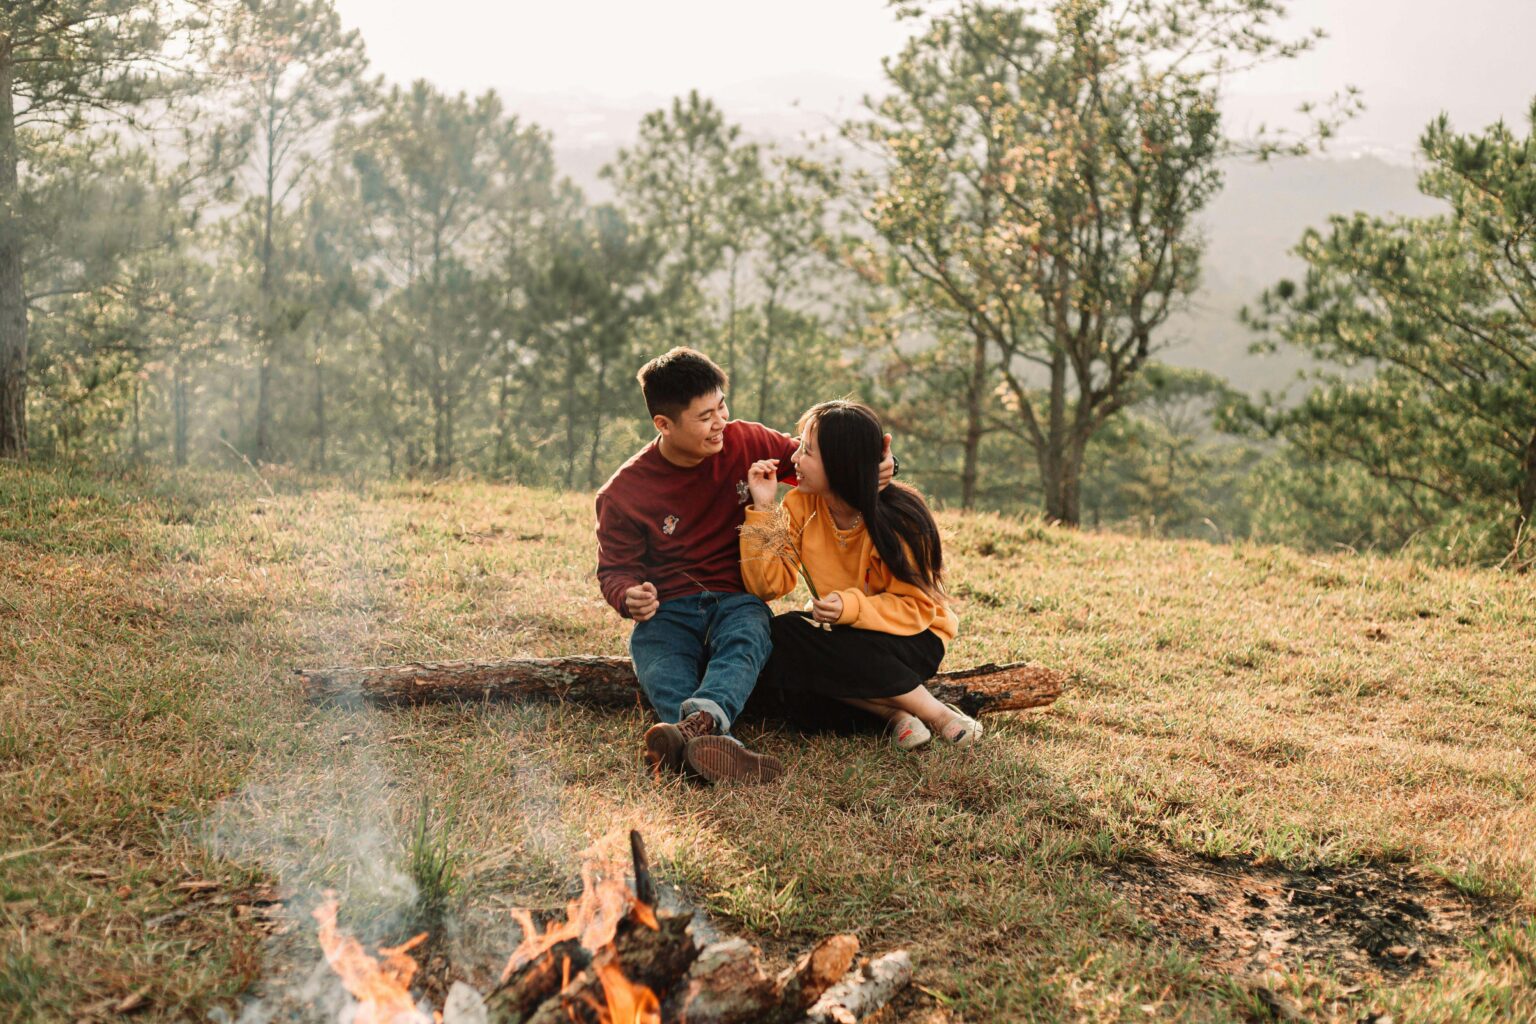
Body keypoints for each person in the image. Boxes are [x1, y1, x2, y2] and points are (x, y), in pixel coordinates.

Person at [595, 349, 893, 784]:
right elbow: (614, 569)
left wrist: (878, 464)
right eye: (705, 417)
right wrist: (628, 595)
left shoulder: (749, 441)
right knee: (657, 659)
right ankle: (709, 740)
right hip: (669, 608)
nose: (721, 422)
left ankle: (690, 735)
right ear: (664, 424)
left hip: (736, 599)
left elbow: (818, 458)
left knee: (749, 636)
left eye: (722, 407)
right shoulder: (623, 493)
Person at [740, 400, 981, 750]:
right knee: (779, 635)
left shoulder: (901, 518)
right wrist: (763, 509)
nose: (794, 458)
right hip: (846, 637)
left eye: (807, 450)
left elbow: (916, 609)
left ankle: (937, 714)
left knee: (808, 665)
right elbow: (767, 585)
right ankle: (894, 715)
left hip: (913, 638)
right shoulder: (800, 505)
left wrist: (849, 607)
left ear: (840, 462)